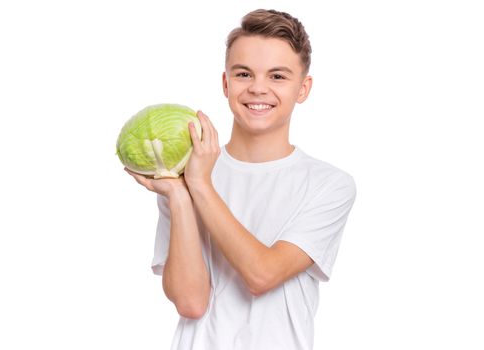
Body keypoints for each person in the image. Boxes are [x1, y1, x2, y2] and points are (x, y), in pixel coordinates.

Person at [126, 9, 356, 350]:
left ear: (303, 88)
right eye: (244, 73)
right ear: (226, 83)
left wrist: (200, 185)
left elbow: (261, 275)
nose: (258, 89)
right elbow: (191, 303)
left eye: (278, 76)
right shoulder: (182, 177)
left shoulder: (328, 184)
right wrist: (178, 195)